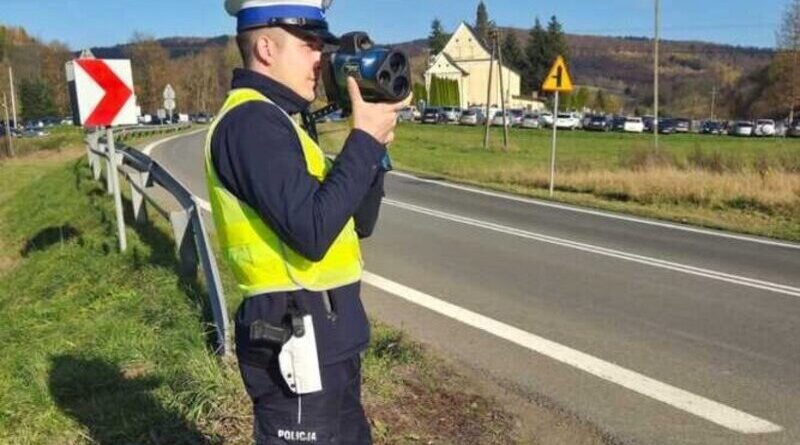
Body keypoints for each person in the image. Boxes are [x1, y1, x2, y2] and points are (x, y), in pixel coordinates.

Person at [205, 1, 411, 443]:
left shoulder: (284, 122)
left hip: (329, 341)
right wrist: (361, 141)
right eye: (310, 44)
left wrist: (371, 152)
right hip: (294, 342)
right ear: (265, 47)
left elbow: (357, 223)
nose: (322, 58)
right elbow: (312, 234)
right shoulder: (250, 122)